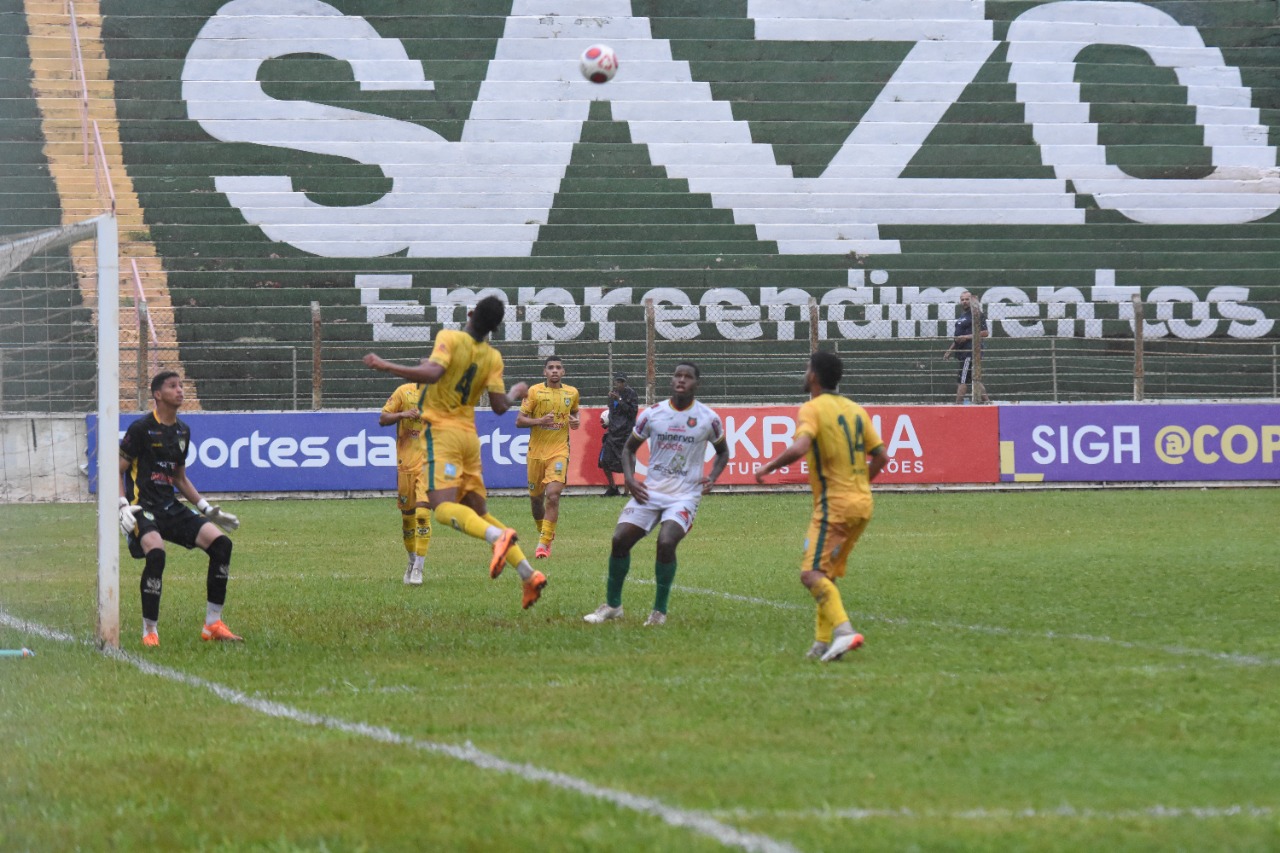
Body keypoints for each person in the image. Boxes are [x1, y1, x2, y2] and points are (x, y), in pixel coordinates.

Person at [363, 295, 547, 610]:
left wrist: (385, 365)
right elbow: (501, 406)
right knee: (479, 512)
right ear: (494, 327)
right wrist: (516, 391)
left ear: (472, 314)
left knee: (442, 508)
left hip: (443, 434)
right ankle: (529, 575)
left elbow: (434, 373)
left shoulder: (450, 338)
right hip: (470, 438)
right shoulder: (493, 357)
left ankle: (496, 539)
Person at [755, 351, 887, 662]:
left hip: (835, 507)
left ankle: (843, 632)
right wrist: (859, 485)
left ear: (814, 376)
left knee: (811, 574)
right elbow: (882, 457)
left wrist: (768, 467)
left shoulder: (812, 409)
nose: (804, 373)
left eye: (806, 369)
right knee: (827, 574)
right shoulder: (856, 410)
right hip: (862, 505)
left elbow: (801, 446)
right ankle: (821, 644)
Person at [583, 362, 729, 627]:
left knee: (666, 541)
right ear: (672, 380)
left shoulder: (709, 418)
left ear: (697, 383)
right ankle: (613, 606)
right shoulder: (653, 414)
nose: (681, 380)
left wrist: (713, 477)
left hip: (685, 494)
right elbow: (629, 449)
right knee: (619, 539)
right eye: (677, 375)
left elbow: (723, 452)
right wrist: (629, 478)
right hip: (650, 491)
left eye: (688, 377)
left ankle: (658, 612)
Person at [118, 371, 244, 648]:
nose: (180, 390)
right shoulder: (140, 429)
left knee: (222, 544)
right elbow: (118, 470)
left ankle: (213, 625)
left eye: (181, 385)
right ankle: (150, 630)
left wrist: (207, 509)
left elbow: (179, 478)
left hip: (169, 506)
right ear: (157, 394)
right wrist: (123, 506)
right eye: (173, 386)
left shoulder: (182, 431)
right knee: (157, 552)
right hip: (142, 508)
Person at [515, 356, 580, 559]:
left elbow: (575, 414)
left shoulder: (572, 393)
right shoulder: (534, 392)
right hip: (535, 454)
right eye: (550, 367)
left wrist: (576, 422)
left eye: (558, 368)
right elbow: (519, 421)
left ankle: (543, 545)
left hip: (559, 451)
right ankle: (545, 532)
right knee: (536, 504)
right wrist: (539, 420)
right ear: (544, 372)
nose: (554, 371)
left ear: (563, 372)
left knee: (553, 495)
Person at [379, 382, 432, 585]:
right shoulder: (403, 391)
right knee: (407, 520)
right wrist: (403, 415)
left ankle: (419, 566)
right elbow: (383, 418)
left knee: (423, 514)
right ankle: (411, 562)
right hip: (406, 464)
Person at [944, 289, 991, 403]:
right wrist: (950, 350)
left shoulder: (976, 314)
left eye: (967, 299)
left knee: (962, 380)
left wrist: (967, 337)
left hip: (969, 352)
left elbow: (985, 332)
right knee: (975, 380)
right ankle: (988, 402)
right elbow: (958, 337)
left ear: (972, 300)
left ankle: (957, 405)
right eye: (962, 299)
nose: (964, 301)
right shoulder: (963, 316)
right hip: (961, 352)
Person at [597, 372, 638, 497]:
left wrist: (619, 400)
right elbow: (613, 413)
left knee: (626, 463)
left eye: (622, 382)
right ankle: (613, 487)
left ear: (626, 383)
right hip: (612, 433)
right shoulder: (613, 394)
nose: (620, 384)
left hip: (625, 434)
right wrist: (608, 423)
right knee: (604, 460)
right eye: (618, 382)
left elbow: (632, 412)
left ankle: (626, 492)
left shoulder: (631, 394)